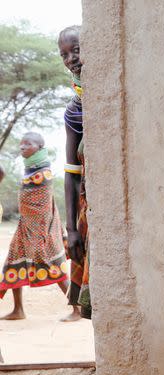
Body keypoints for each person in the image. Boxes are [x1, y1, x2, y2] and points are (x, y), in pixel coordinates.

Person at [0, 132, 78, 320]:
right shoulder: (31, 171)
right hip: (25, 227)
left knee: (55, 268)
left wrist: (41, 233)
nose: (22, 147)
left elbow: (42, 207)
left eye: (28, 144)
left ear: (40, 147)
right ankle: (18, 310)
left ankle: (77, 309)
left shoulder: (44, 173)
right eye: (21, 144)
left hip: (41, 231)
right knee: (12, 265)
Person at [59, 25, 91, 319]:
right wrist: (71, 229)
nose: (71, 59)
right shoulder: (74, 112)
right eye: (64, 54)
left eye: (76, 50)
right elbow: (71, 172)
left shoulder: (105, 100)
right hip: (89, 211)